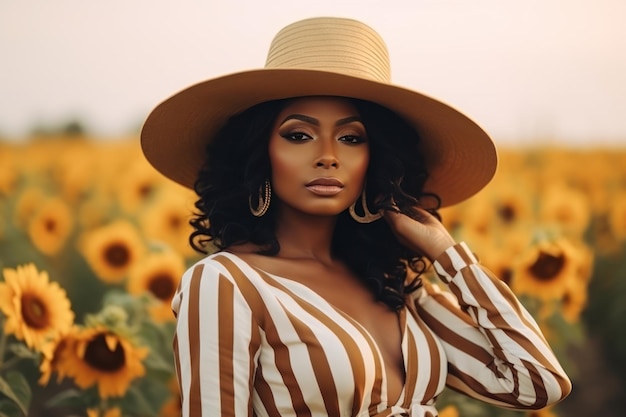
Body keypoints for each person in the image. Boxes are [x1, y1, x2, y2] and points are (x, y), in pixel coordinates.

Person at [140, 16, 571, 417]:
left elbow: (537, 383)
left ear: (375, 158)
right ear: (260, 154)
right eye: (299, 135)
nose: (327, 156)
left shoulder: (398, 289)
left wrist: (448, 256)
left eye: (350, 137)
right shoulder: (226, 283)